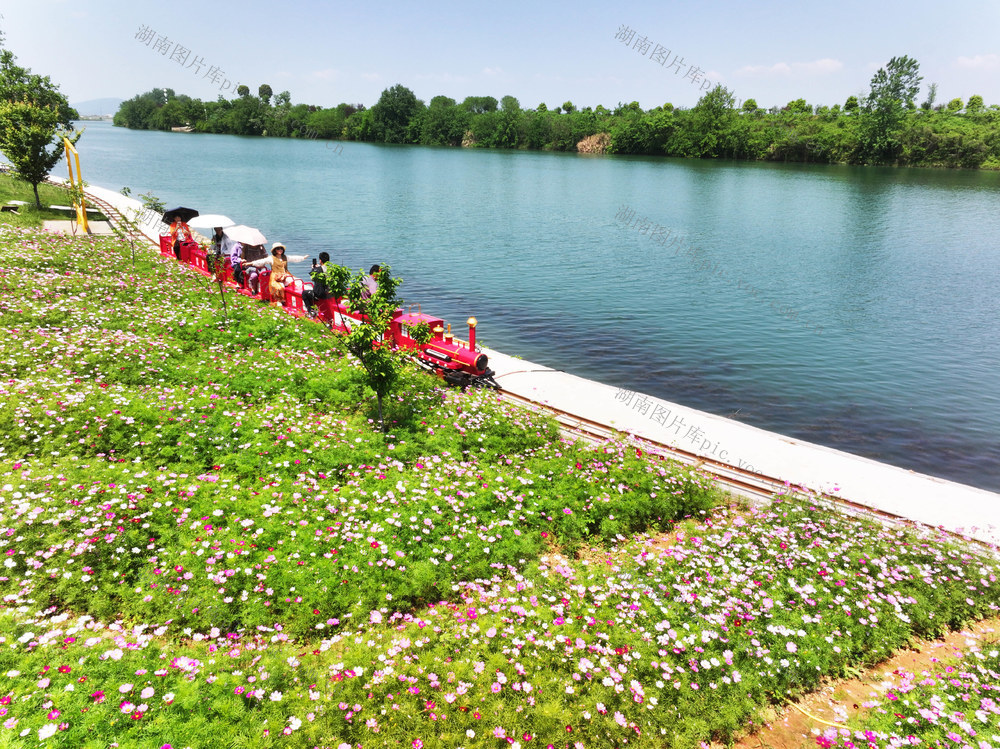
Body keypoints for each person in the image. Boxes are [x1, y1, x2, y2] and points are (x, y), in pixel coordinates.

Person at [304, 251, 332, 317]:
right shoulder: (332, 269)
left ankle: (311, 312)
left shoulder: (317, 270)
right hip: (330, 293)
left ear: (320, 260)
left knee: (304, 293)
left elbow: (312, 279)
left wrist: (314, 269)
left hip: (320, 294)